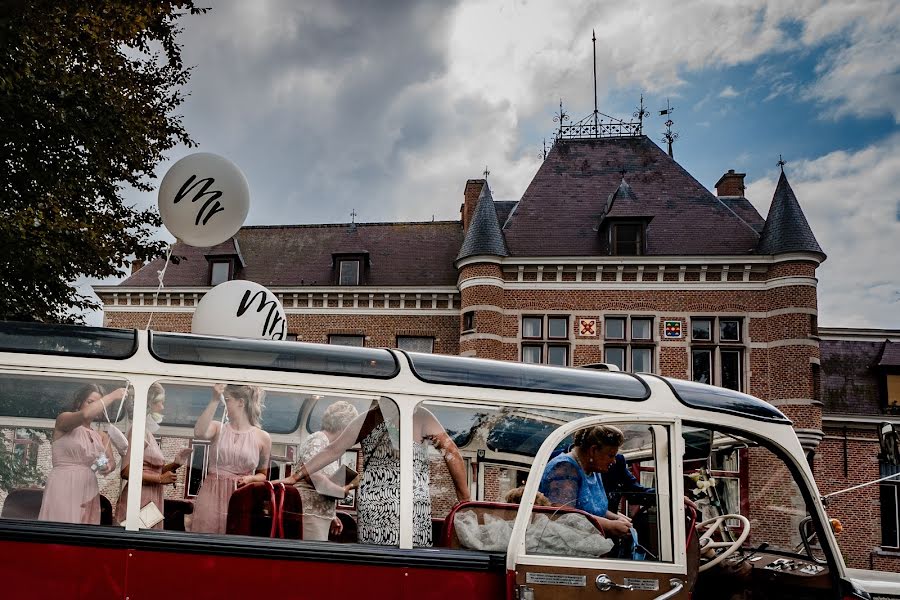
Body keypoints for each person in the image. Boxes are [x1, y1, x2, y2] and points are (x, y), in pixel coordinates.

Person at [288, 400, 469, 547]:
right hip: (410, 504)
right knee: (412, 563)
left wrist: (296, 476)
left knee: (375, 563)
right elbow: (451, 453)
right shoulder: (420, 415)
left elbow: (332, 450)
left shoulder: (367, 418)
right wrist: (466, 502)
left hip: (373, 505)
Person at [190, 383, 272, 534]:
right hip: (212, 492)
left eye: (227, 400)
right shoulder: (217, 427)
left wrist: (250, 479)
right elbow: (199, 432)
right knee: (206, 537)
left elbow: (263, 475)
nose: (224, 404)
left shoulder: (263, 437)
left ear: (241, 402)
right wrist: (214, 400)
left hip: (241, 496)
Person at [38, 383, 126, 524]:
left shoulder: (100, 435)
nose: (95, 407)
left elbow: (109, 462)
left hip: (88, 486)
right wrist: (112, 396)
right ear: (79, 402)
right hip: (64, 483)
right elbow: (86, 414)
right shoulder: (64, 420)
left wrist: (105, 466)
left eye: (98, 404)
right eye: (91, 402)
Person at [115, 383, 191, 528]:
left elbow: (150, 469)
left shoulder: (146, 432)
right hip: (140, 497)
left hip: (151, 495)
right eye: (160, 402)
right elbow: (125, 471)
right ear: (148, 404)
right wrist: (160, 478)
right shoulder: (138, 431)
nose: (162, 407)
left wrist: (176, 464)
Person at [538, 424, 632, 538]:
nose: (614, 461)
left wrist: (615, 517)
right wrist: (609, 525)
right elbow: (562, 514)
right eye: (610, 455)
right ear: (593, 450)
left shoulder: (593, 469)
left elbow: (592, 509)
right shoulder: (564, 468)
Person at [292, 400, 359, 541]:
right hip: (309, 514)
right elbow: (313, 476)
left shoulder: (328, 445)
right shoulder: (318, 439)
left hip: (319, 515)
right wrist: (342, 491)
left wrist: (332, 514)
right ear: (345, 426)